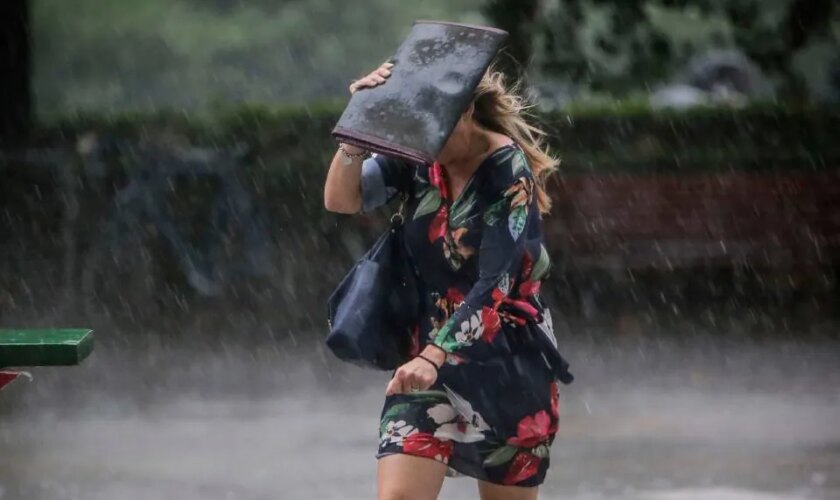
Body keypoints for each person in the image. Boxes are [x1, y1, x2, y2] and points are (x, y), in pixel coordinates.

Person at [324, 61, 574, 500]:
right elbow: (343, 199)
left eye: (436, 129)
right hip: (426, 361)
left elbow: (496, 283)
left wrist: (436, 354)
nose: (427, 144)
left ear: (466, 111)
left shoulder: (506, 171)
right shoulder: (419, 154)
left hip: (506, 361)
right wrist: (357, 125)